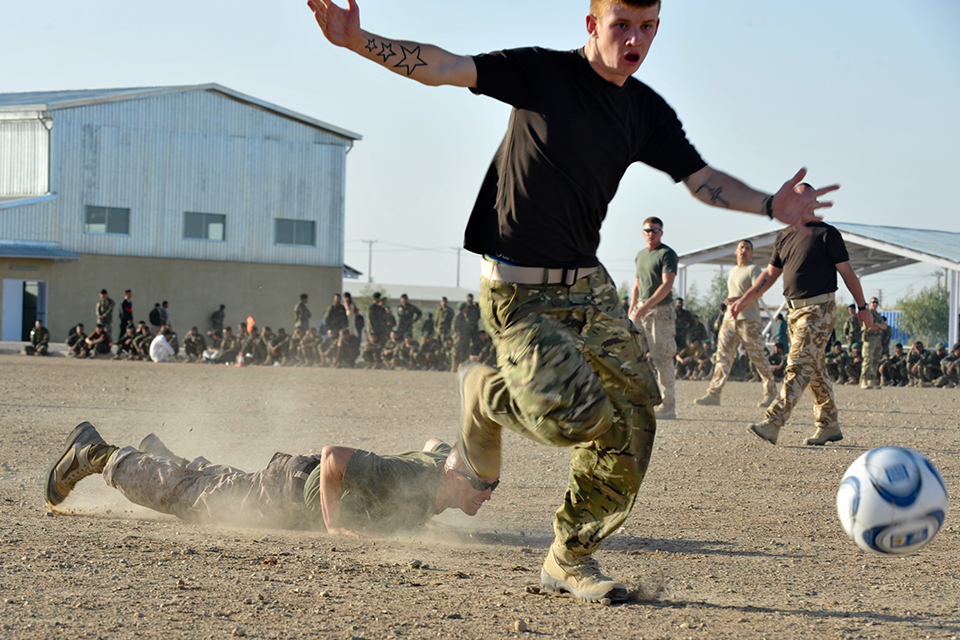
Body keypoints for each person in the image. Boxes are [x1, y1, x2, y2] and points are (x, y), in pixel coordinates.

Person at [308, 0, 836, 603]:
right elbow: (444, 66)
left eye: (647, 27)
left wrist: (772, 205)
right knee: (578, 418)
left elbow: (700, 179)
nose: (634, 39)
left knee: (635, 420)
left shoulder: (643, 110)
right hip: (518, 291)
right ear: (592, 25)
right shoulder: (542, 74)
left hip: (587, 286)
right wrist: (358, 41)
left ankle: (569, 556)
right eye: (621, 26)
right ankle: (487, 394)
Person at [44, 423, 496, 536]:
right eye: (482, 486)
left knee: (215, 487)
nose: (487, 496)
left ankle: (164, 456)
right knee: (187, 498)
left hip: (283, 480)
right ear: (455, 477)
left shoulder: (436, 469)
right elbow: (334, 457)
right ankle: (94, 452)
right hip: (284, 496)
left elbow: (437, 441)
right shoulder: (406, 476)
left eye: (493, 487)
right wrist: (334, 523)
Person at [731, 184, 870, 446]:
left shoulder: (827, 234)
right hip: (794, 311)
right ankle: (829, 425)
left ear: (814, 202)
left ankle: (773, 422)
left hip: (819, 310)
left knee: (797, 366)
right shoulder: (784, 235)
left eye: (806, 198)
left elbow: (848, 272)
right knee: (814, 368)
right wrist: (744, 298)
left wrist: (862, 308)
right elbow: (770, 275)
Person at [694, 239, 778, 408]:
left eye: (747, 248)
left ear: (751, 253)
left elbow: (758, 291)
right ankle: (714, 394)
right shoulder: (733, 271)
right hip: (729, 320)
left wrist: (740, 299)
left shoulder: (754, 269)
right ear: (736, 251)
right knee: (722, 357)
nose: (744, 251)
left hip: (749, 320)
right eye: (741, 248)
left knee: (758, 357)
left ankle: (771, 393)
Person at [630, 216, 678, 420]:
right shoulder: (640, 256)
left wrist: (647, 306)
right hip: (640, 311)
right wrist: (632, 310)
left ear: (661, 233)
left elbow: (667, 284)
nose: (651, 234)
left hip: (660, 312)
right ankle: (640, 402)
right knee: (634, 355)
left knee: (662, 358)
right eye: (648, 231)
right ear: (643, 233)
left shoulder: (667, 254)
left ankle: (668, 406)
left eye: (655, 231)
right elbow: (637, 285)